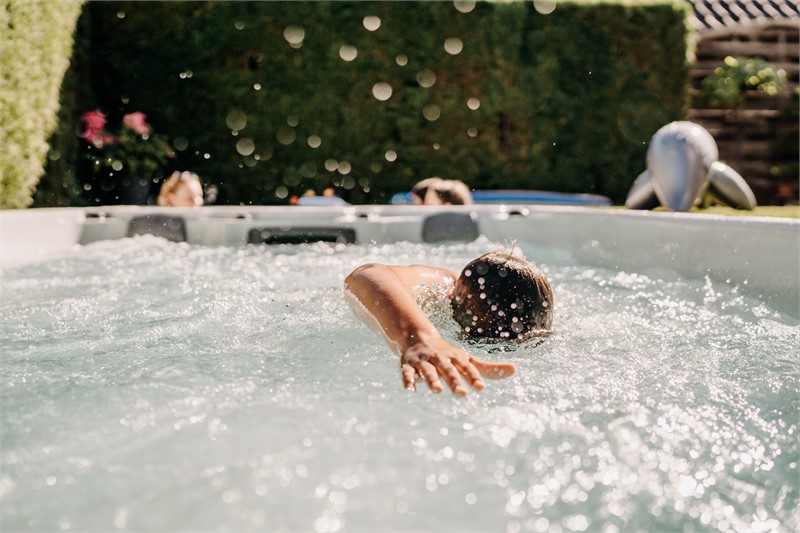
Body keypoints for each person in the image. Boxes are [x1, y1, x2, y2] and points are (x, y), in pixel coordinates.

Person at [344, 250, 553, 396]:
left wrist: (416, 339)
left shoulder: (450, 286)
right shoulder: (441, 286)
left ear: (453, 299)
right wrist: (421, 337)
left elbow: (366, 272)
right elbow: (365, 275)